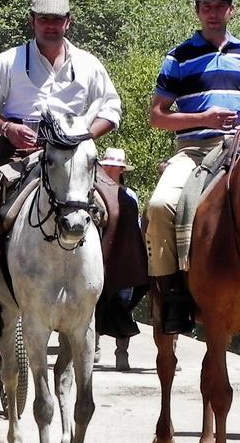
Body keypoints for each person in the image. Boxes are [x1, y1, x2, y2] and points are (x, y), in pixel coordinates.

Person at [0, 0, 123, 343]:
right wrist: (7, 127)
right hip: (16, 153)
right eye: (44, 19)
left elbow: (111, 109)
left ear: (68, 22)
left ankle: (110, 303)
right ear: (32, 21)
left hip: (73, 155)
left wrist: (83, 136)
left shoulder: (88, 63)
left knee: (120, 208)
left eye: (57, 20)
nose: (51, 26)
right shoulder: (8, 61)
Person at [144, 0, 240, 334]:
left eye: (220, 6)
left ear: (231, 9)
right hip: (194, 149)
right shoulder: (179, 56)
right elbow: (158, 115)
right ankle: (171, 290)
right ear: (197, 12)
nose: (214, 13)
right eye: (207, 7)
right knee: (159, 206)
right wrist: (203, 118)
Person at [96, 148, 138, 372]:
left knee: (123, 305)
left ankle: (122, 352)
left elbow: (135, 229)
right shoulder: (92, 193)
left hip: (123, 259)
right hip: (98, 257)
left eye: (117, 166)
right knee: (93, 303)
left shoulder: (130, 196)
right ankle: (93, 346)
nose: (113, 170)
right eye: (109, 166)